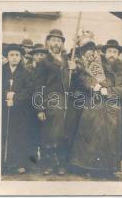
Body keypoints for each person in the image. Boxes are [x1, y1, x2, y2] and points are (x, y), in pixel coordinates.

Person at [69, 39, 122, 178]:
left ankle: (109, 169)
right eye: (109, 51)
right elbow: (83, 76)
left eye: (115, 52)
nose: (112, 54)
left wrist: (109, 91)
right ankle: (88, 167)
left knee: (111, 138)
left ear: (119, 54)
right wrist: (95, 85)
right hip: (94, 105)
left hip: (113, 107)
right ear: (104, 52)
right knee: (92, 135)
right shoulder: (95, 64)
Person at [33, 29, 76, 176]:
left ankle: (62, 164)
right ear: (48, 42)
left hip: (66, 102)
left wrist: (74, 69)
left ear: (62, 43)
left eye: (59, 40)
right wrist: (40, 108)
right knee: (49, 133)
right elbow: (38, 86)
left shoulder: (68, 60)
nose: (56, 43)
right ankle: (49, 164)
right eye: (53, 40)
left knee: (64, 133)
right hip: (51, 101)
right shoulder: (44, 62)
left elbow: (74, 80)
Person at [2, 44, 34, 174]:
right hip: (3, 108)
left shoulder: (26, 72)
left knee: (19, 136)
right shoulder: (1, 71)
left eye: (17, 55)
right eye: (11, 55)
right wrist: (5, 94)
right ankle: (3, 163)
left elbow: (29, 90)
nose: (14, 58)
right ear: (7, 57)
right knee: (4, 133)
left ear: (21, 57)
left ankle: (19, 163)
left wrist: (15, 97)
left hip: (20, 110)